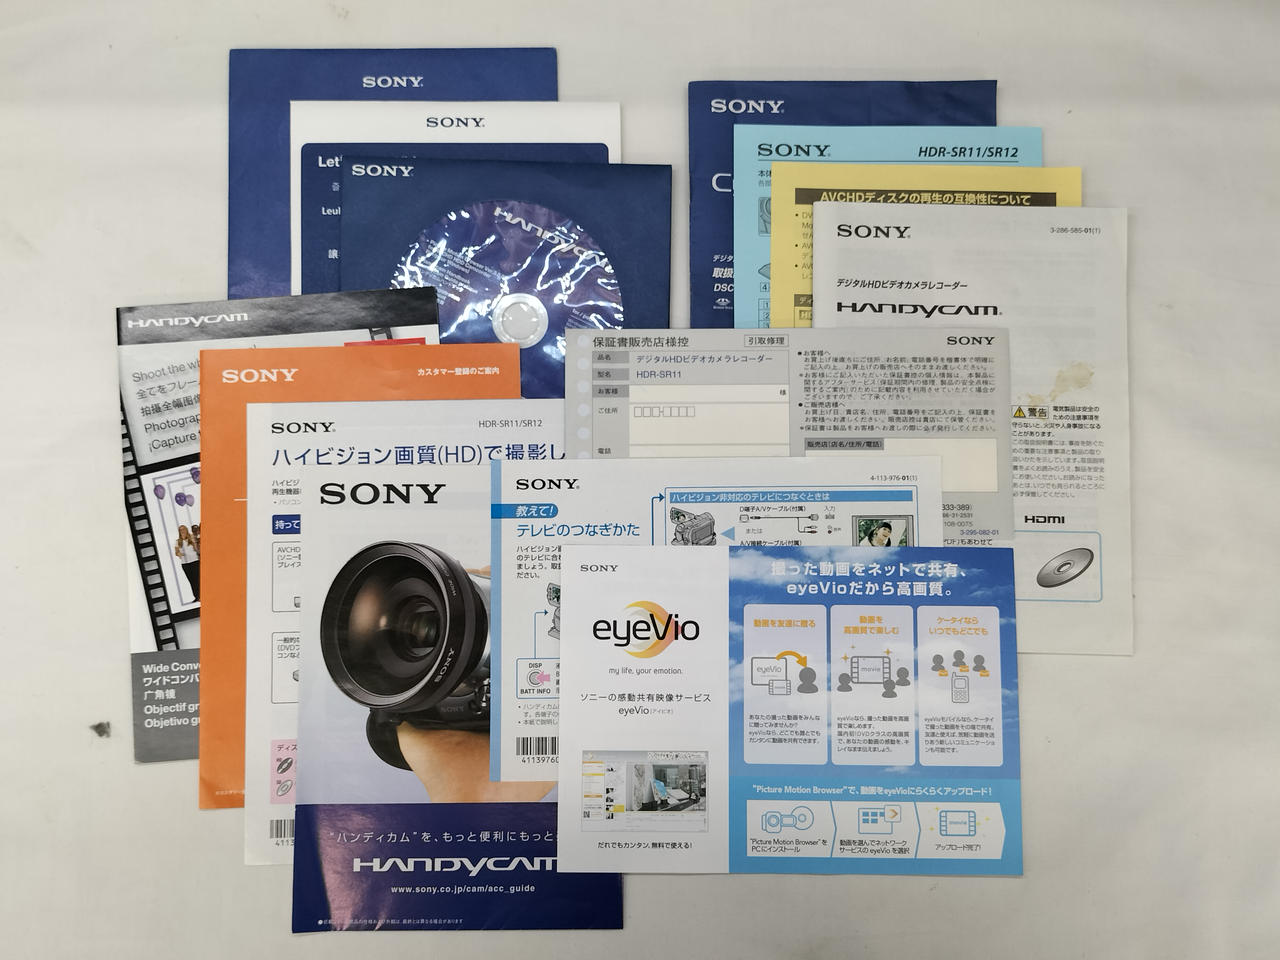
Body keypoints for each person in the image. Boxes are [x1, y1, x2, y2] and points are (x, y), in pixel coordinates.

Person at [174, 524, 200, 601]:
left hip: (195, 561)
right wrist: (179, 554)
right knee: (191, 580)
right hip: (185, 564)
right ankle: (197, 597)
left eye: (184, 529)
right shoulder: (178, 541)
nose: (182, 531)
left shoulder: (192, 537)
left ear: (186, 530)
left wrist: (194, 542)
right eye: (181, 530)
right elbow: (176, 552)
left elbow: (197, 549)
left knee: (198, 579)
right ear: (179, 532)